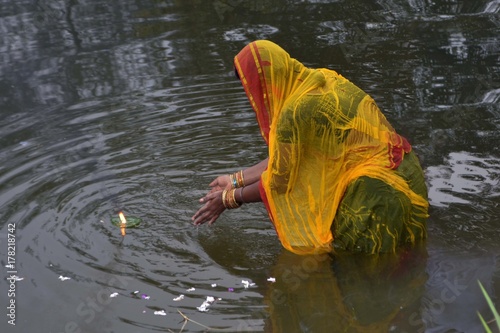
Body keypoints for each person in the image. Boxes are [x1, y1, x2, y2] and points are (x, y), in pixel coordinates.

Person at [192, 40, 429, 255]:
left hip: (374, 198)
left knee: (371, 282)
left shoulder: (292, 113)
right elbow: (290, 158)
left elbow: (279, 181)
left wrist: (229, 198)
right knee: (410, 264)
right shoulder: (324, 78)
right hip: (407, 175)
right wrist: (235, 180)